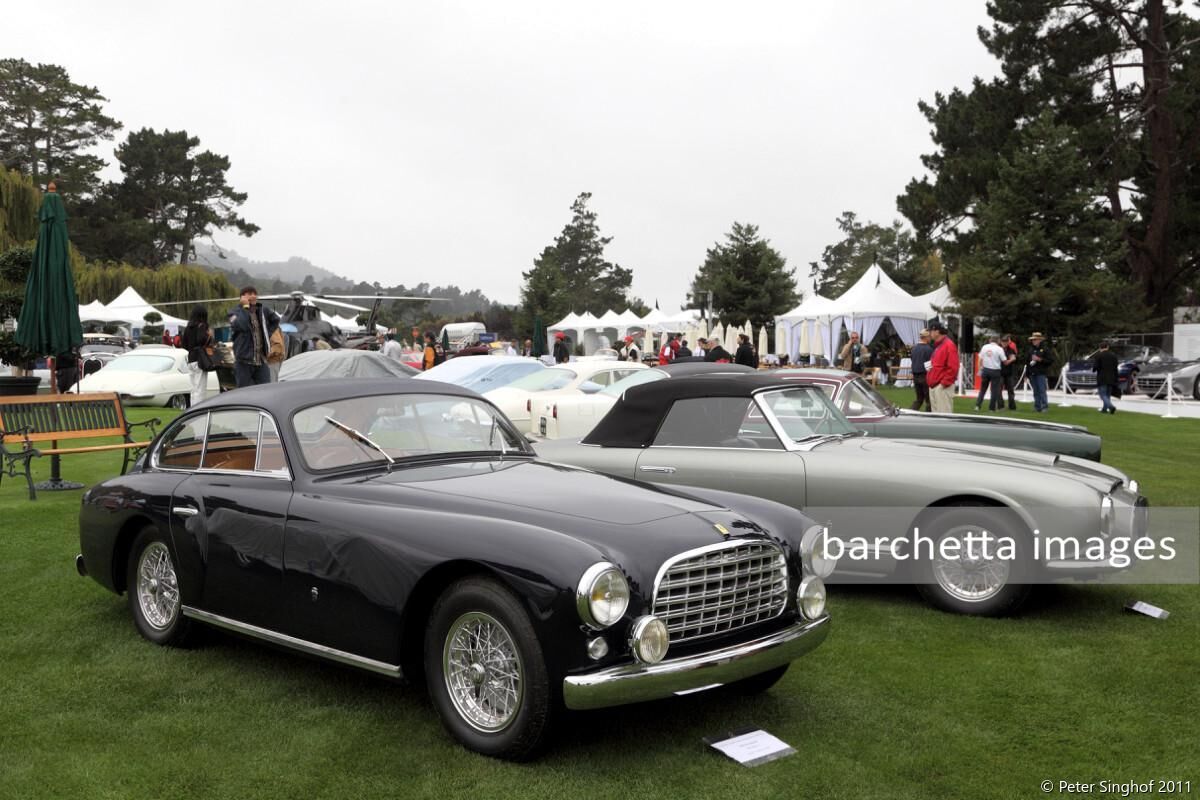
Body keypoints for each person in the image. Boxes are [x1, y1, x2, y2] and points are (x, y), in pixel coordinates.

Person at [228, 286, 280, 388]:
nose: (253, 296)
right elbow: (241, 325)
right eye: (250, 294)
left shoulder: (262, 310)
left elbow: (276, 320)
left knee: (265, 390)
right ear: (242, 297)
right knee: (244, 392)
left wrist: (267, 334)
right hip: (244, 361)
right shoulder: (234, 313)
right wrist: (245, 308)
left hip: (261, 360)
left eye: (255, 294)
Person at [182, 305, 215, 405]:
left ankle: (192, 409)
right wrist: (209, 336)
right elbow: (201, 340)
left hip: (190, 359)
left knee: (194, 388)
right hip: (200, 359)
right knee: (200, 389)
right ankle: (198, 411)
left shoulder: (188, 327)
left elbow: (184, 344)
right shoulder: (202, 325)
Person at [927, 322, 959, 413]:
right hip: (935, 385)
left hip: (942, 387)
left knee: (944, 417)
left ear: (937, 331)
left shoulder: (948, 345)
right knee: (936, 418)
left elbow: (953, 367)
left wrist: (943, 384)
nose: (930, 333)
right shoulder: (939, 345)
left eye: (931, 331)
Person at [976, 336, 1006, 411]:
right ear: (998, 341)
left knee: (982, 390)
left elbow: (980, 358)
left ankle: (977, 406)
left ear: (990, 340)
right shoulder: (999, 349)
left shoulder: (984, 347)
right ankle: (991, 408)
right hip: (995, 371)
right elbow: (1004, 360)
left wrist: (980, 368)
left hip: (985, 370)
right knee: (994, 390)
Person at [1027, 332, 1053, 412]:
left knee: (1042, 390)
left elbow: (1050, 360)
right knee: (1035, 391)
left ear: (1039, 340)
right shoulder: (1031, 349)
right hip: (1032, 372)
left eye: (1035, 340)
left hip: (1041, 373)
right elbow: (1027, 362)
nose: (1033, 341)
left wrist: (1040, 360)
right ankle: (1037, 406)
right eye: (1032, 340)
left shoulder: (1045, 349)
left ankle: (1044, 406)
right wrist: (1027, 373)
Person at [1092, 340, 1120, 414]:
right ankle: (1104, 409)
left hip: (1102, 377)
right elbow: (1115, 368)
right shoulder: (1114, 356)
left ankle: (1111, 406)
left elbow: (1095, 367)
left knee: (1102, 395)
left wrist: (1095, 369)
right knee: (1108, 395)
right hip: (1112, 377)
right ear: (1108, 347)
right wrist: (1116, 378)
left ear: (1100, 348)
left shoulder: (1098, 356)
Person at [909, 330, 933, 412]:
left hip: (915, 376)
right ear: (926, 337)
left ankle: (910, 413)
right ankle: (929, 417)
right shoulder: (929, 349)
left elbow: (912, 360)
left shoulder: (914, 348)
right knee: (929, 400)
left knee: (919, 399)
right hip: (925, 376)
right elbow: (930, 365)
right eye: (929, 336)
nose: (930, 338)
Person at [999, 334, 1018, 410]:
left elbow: (1014, 357)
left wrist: (1009, 361)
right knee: (999, 390)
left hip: (1009, 373)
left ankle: (1012, 406)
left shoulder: (1011, 349)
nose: (1004, 343)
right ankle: (1001, 406)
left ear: (1008, 342)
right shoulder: (998, 349)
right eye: (1003, 341)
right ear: (1001, 342)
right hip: (1000, 373)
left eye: (1006, 341)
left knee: (1011, 390)